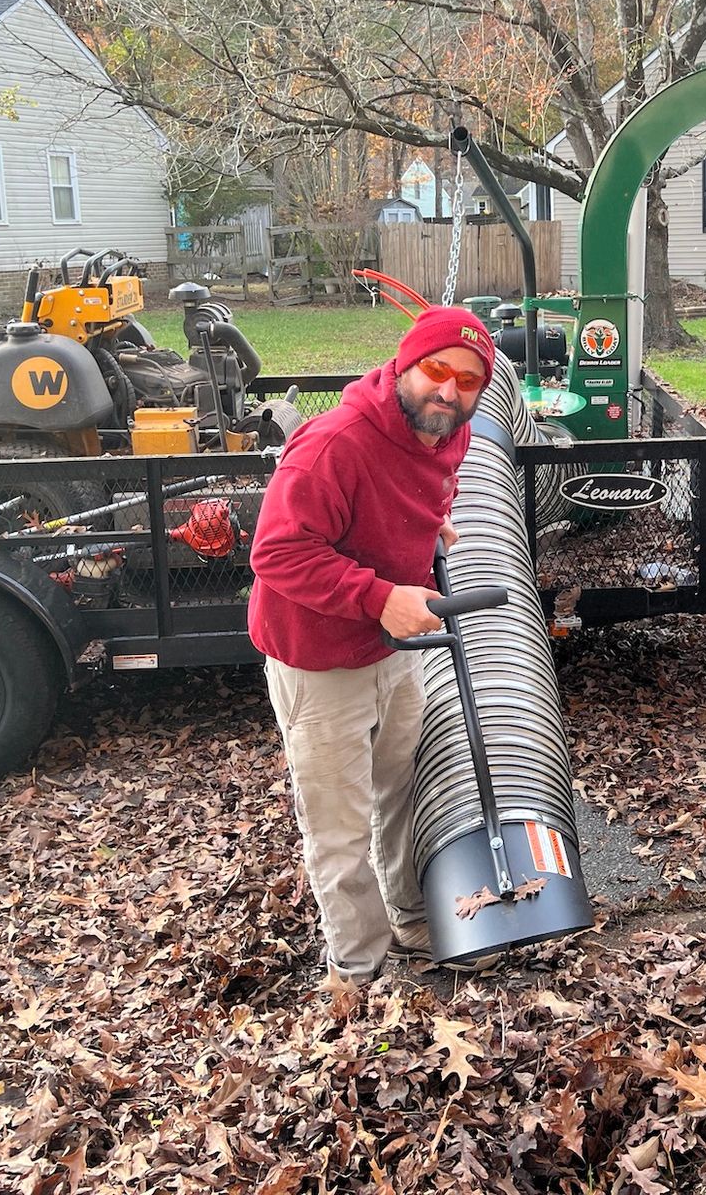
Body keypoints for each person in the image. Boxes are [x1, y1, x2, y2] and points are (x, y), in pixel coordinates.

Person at [248, 305, 495, 991]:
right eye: (436, 370)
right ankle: (356, 970)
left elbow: (420, 487)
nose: (448, 390)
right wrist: (381, 596)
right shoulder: (338, 444)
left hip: (395, 648)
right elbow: (276, 551)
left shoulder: (450, 433)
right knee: (340, 826)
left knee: (398, 793)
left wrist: (429, 525)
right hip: (321, 659)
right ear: (404, 366)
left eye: (468, 380)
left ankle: (410, 920)